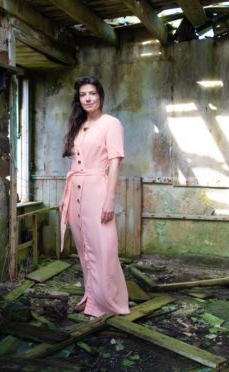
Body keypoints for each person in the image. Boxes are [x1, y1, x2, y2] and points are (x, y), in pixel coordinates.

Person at [59, 76, 130, 317]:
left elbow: (114, 163)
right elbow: (74, 163)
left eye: (92, 93)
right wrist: (64, 198)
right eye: (83, 95)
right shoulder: (78, 125)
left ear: (100, 96)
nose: (88, 98)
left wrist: (109, 199)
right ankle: (92, 299)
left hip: (97, 190)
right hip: (75, 191)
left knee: (103, 248)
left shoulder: (111, 124)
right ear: (78, 99)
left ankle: (111, 302)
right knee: (84, 249)